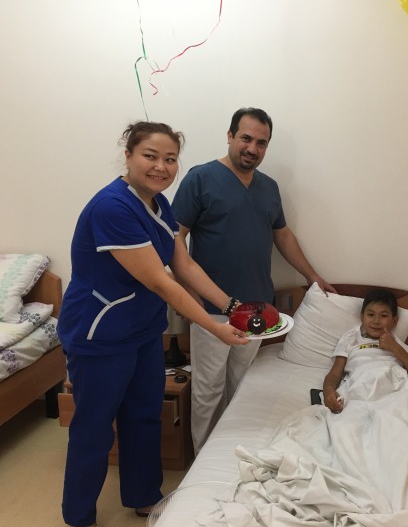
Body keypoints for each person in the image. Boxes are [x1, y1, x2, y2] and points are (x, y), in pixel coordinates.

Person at [57, 122, 249, 527]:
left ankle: (144, 495)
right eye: (151, 156)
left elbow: (184, 265)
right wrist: (213, 327)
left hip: (143, 330)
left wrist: (231, 307)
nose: (161, 166)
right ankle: (78, 515)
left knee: (144, 414)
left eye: (170, 159)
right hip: (101, 333)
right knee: (94, 427)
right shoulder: (112, 207)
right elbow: (161, 281)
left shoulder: (160, 203)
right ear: (128, 155)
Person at [172, 107, 335, 453]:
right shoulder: (200, 179)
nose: (252, 148)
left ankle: (232, 452)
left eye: (261, 143)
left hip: (258, 308)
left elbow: (283, 235)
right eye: (246, 138)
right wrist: (187, 293)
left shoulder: (268, 188)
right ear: (230, 135)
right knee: (208, 389)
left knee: (242, 386)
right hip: (212, 310)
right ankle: (205, 458)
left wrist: (312, 275)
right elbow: (175, 239)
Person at [323, 289, 408, 414]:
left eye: (383, 316)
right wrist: (328, 391)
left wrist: (395, 348)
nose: (376, 321)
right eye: (370, 315)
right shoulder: (350, 338)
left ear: (394, 321)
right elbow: (335, 373)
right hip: (360, 382)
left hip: (391, 385)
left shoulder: (395, 342)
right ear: (362, 317)